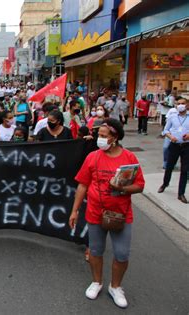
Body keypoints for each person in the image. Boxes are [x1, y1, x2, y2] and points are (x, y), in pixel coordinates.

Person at [69, 118, 145, 309]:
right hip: (95, 213)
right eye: (98, 136)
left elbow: (139, 186)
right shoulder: (92, 157)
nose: (99, 139)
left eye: (103, 136)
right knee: (95, 251)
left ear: (115, 137)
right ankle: (97, 282)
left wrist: (122, 188)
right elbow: (83, 184)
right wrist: (75, 210)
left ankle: (115, 287)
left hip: (121, 215)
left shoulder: (129, 158)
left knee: (121, 254)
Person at [158, 97, 189, 204]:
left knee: (184, 170)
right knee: (169, 167)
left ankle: (181, 193)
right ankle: (165, 184)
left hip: (186, 146)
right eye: (178, 103)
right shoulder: (172, 117)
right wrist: (171, 137)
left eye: (183, 103)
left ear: (187, 105)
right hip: (174, 145)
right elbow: (165, 130)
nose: (180, 105)